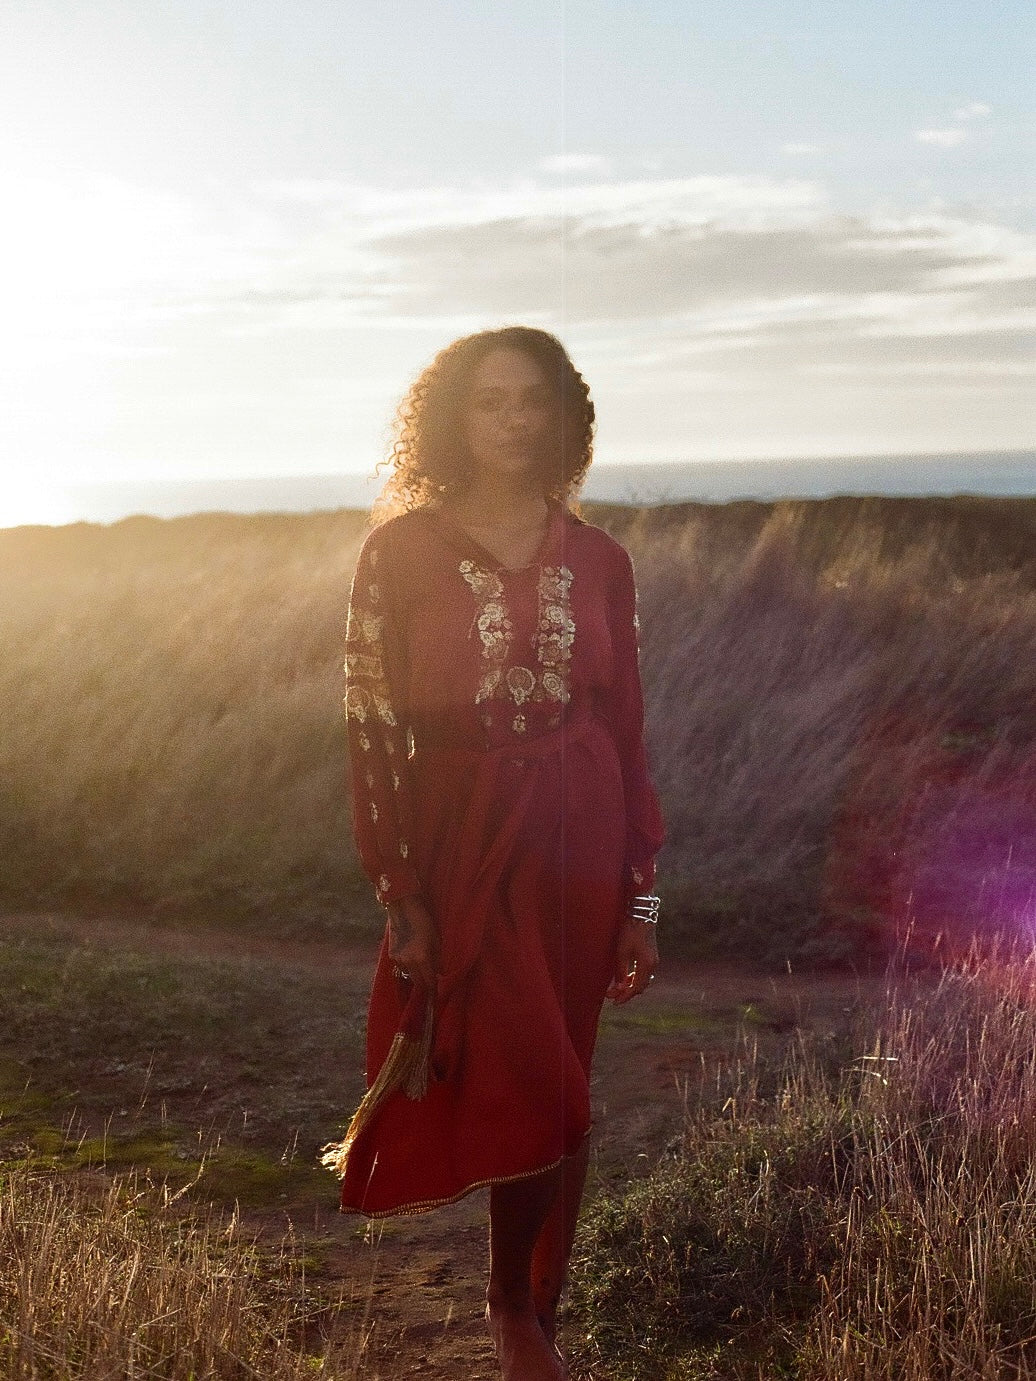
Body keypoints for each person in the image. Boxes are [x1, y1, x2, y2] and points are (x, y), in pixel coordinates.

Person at [322, 325, 665, 1381]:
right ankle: (515, 1304)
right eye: (490, 402)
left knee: (564, 1072)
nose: (514, 422)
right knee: (513, 1058)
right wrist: (398, 885)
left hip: (585, 832)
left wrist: (640, 900)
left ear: (566, 419)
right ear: (449, 419)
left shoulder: (602, 561)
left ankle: (526, 1309)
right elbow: (374, 725)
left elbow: (626, 730)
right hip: (466, 831)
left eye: (534, 403)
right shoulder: (400, 554)